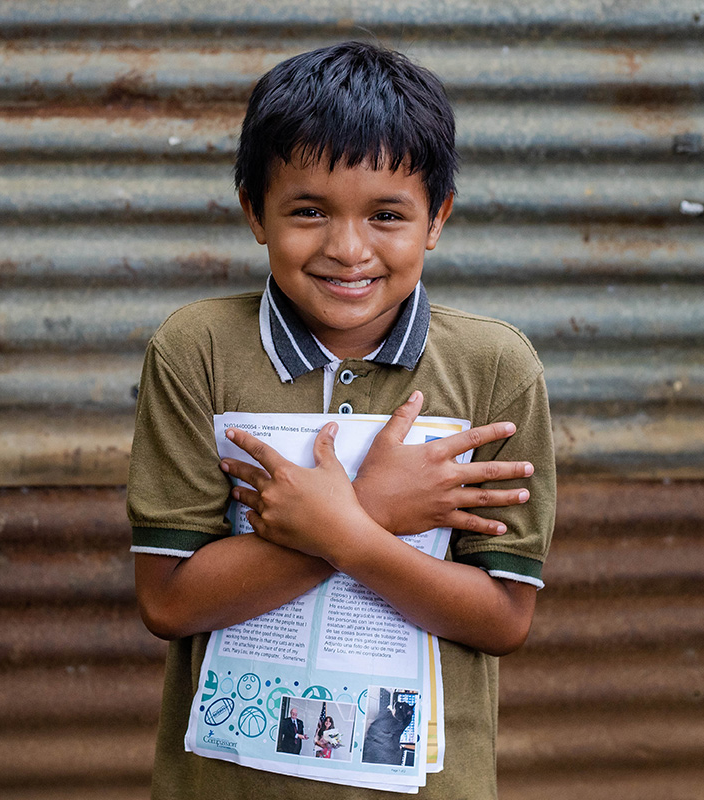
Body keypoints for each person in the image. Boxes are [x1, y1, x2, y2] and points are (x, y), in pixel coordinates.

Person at [128, 40, 556, 799]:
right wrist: (375, 511)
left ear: (436, 219)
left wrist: (348, 530)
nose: (348, 248)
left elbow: (502, 619)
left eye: (387, 213)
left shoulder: (496, 368)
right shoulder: (197, 350)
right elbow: (169, 600)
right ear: (255, 211)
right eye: (309, 211)